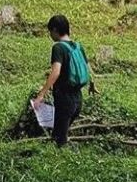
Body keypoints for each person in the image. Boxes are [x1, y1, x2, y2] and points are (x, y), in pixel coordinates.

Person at [32, 14, 97, 147]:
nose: (50, 35)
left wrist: (41, 94)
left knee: (58, 138)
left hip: (64, 97)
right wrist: (92, 85)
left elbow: (56, 72)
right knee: (63, 131)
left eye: (50, 31)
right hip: (78, 98)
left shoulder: (58, 47)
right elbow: (87, 67)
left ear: (55, 30)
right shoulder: (78, 46)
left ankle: (60, 159)